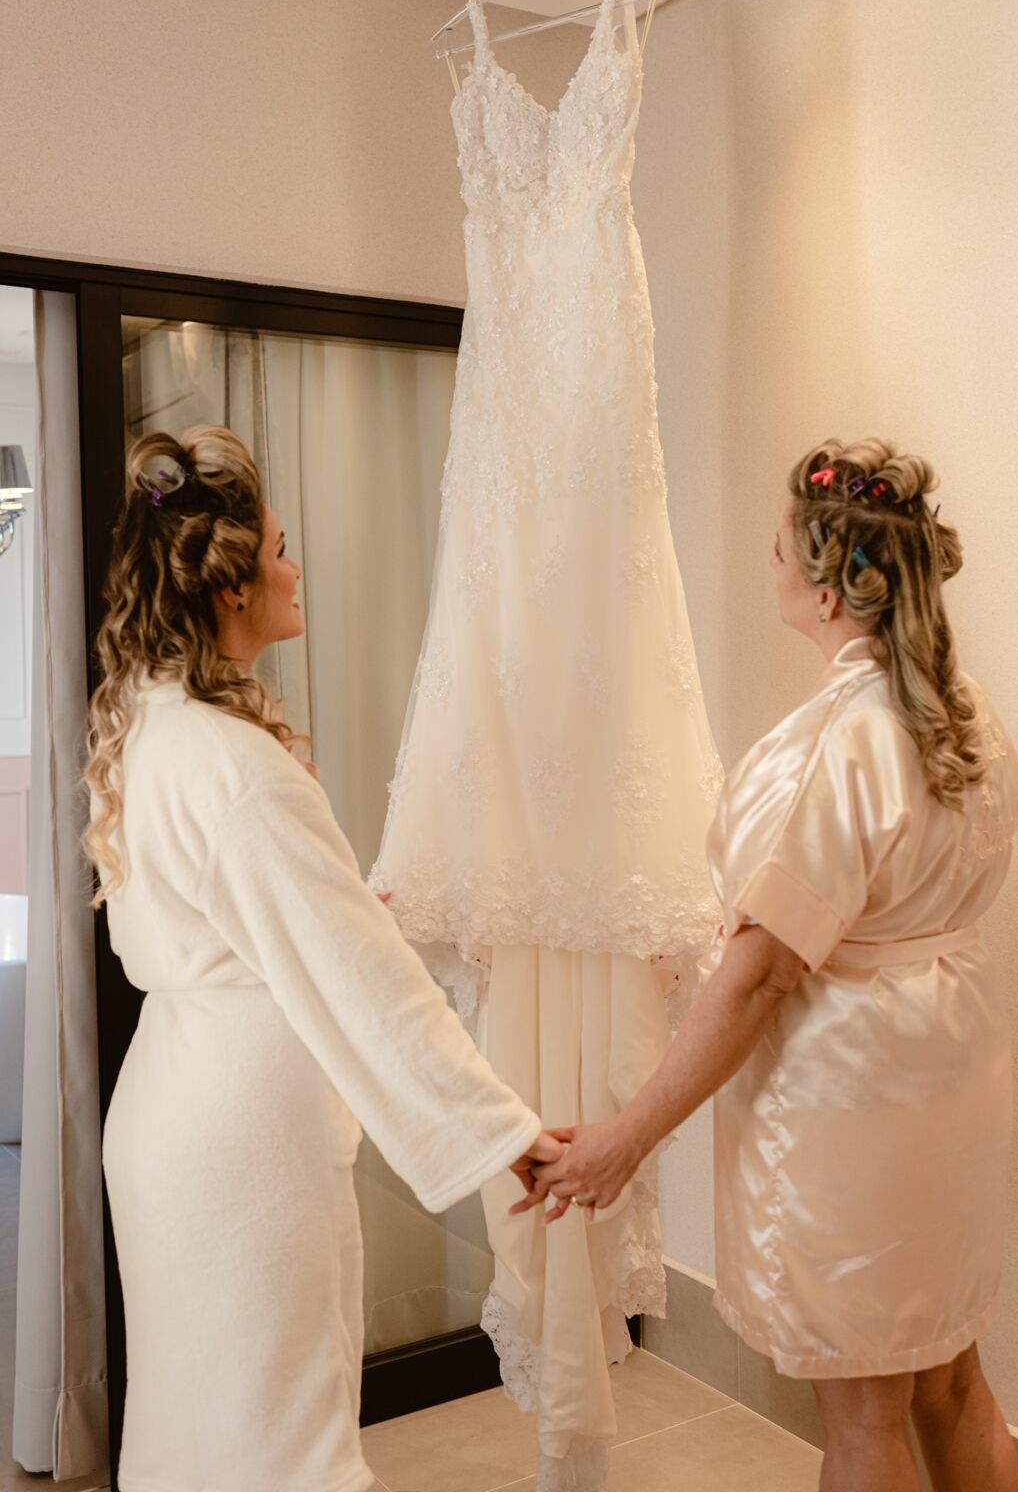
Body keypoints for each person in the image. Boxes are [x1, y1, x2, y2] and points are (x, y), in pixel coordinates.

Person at [522, 439, 1018, 1492]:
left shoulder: (840, 743)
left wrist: (625, 1138)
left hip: (857, 1092)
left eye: (784, 550)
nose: (772, 565)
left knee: (864, 1411)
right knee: (953, 1378)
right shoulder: (967, 717)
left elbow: (758, 974)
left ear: (838, 586)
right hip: (956, 1071)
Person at [85, 425, 561, 1492]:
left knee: (202, 1422)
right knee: (279, 1433)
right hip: (242, 1147)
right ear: (232, 586)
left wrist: (340, 900)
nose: (296, 568)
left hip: (171, 1114)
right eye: (283, 548)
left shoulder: (148, 724)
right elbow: (366, 980)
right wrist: (504, 1131)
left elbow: (248, 919)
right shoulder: (235, 764)